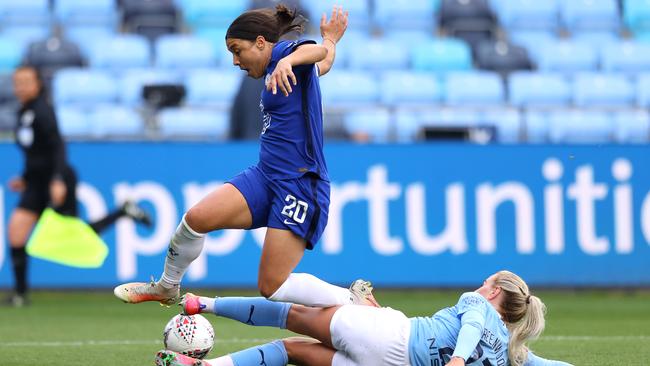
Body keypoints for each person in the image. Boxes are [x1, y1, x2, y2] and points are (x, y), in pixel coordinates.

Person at [113, 5, 365, 309]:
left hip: (299, 184)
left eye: (237, 50)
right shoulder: (283, 68)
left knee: (271, 285)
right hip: (265, 175)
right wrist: (332, 42)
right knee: (196, 219)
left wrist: (301, 54)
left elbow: (314, 53)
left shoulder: (285, 54)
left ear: (260, 42)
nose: (235, 61)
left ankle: (353, 300)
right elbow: (323, 63)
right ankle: (167, 287)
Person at [154, 270, 573, 366]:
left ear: (496, 290)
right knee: (291, 353)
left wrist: (460, 360)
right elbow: (546, 365)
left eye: (486, 285)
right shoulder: (510, 354)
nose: (482, 288)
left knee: (291, 315)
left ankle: (201, 303)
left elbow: (472, 327)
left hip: (393, 336)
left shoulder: (479, 304)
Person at [5, 65, 152, 307]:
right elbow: (35, 153)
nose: (20, 86)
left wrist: (57, 179)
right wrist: (26, 177)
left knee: (76, 235)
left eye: (26, 81)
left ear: (38, 84)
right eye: (17, 82)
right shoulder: (24, 111)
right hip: (36, 182)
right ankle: (20, 295)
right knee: (16, 232)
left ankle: (123, 212)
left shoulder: (43, 110)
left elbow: (57, 147)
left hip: (56, 180)